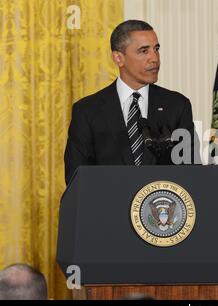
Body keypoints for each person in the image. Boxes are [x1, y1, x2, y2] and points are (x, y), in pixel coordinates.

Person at [64, 20, 198, 184]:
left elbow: (191, 172)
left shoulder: (177, 105)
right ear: (118, 58)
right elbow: (76, 178)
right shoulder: (87, 111)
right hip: (108, 206)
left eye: (156, 49)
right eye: (143, 51)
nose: (154, 58)